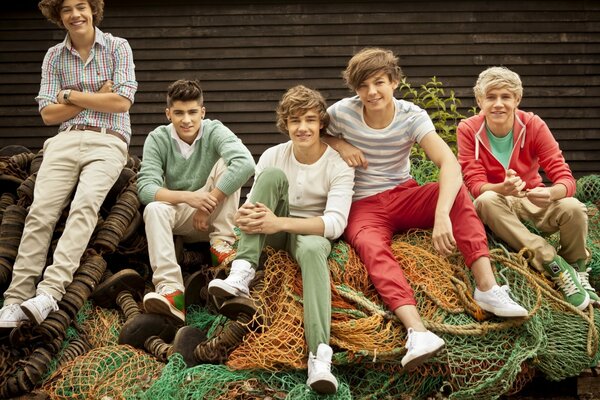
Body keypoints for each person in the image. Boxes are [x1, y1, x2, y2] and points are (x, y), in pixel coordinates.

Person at [322, 47, 529, 370]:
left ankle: (487, 287)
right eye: (363, 86)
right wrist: (340, 143)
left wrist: (441, 214)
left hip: (405, 194)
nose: (371, 92)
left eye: (379, 82)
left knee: (455, 193)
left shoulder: (411, 115)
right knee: (371, 247)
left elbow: (447, 162)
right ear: (355, 89)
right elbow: (312, 131)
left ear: (394, 81)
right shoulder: (341, 113)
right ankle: (418, 332)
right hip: (363, 205)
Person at [208, 85, 354, 394]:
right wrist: (245, 216)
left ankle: (319, 357)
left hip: (310, 234)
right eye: (295, 121)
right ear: (284, 124)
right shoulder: (274, 154)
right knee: (272, 176)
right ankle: (242, 271)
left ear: (321, 124)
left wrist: (278, 222)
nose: (303, 128)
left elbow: (336, 223)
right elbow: (254, 204)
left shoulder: (337, 165)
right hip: (271, 233)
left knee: (314, 249)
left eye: (310, 120)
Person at [0, 0, 137, 328]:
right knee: (39, 213)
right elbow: (47, 114)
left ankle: (49, 292)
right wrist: (93, 97)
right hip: (63, 141)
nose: (75, 15)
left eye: (81, 6)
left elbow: (121, 102)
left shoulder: (118, 47)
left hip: (108, 140)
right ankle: (14, 301)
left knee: (85, 205)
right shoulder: (53, 56)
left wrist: (69, 96)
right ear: (58, 16)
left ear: (93, 10)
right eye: (67, 10)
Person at [457, 66, 595, 310]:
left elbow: (565, 178)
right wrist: (502, 188)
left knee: (573, 206)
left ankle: (577, 270)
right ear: (479, 100)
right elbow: (475, 184)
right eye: (490, 97)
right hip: (498, 205)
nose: (498, 104)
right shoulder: (468, 129)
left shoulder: (533, 125)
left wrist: (551, 193)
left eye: (506, 97)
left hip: (533, 200)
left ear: (517, 99)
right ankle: (552, 262)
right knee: (485, 200)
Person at [137, 79, 255, 324]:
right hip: (181, 215)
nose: (186, 120)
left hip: (215, 214)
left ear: (202, 111)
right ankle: (172, 292)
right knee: (154, 208)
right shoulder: (158, 138)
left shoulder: (213, 130)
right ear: (168, 113)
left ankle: (221, 243)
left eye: (192, 112)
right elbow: (146, 188)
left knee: (228, 164)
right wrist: (189, 198)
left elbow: (246, 164)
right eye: (179, 113)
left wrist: (208, 202)